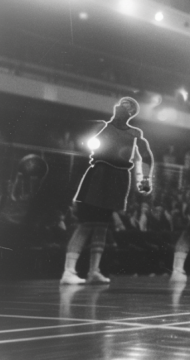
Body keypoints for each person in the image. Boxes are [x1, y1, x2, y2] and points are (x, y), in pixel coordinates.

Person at [60, 97, 154, 285]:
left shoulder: (135, 133)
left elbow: (145, 156)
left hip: (119, 179)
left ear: (131, 113)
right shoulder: (101, 126)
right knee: (86, 224)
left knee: (102, 226)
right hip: (99, 175)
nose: (123, 107)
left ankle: (94, 271)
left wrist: (144, 178)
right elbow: (85, 142)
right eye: (121, 105)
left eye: (128, 107)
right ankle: (68, 271)